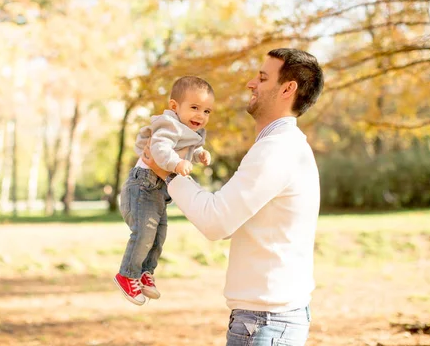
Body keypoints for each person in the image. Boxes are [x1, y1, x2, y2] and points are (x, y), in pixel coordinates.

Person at [142, 48, 324, 345]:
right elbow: (229, 217)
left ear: (288, 89)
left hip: (265, 323)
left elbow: (216, 222)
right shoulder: (284, 147)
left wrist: (169, 173)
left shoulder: (277, 150)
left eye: (263, 78)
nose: (251, 83)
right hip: (268, 319)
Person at [114, 75, 215, 306]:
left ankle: (144, 272)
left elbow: (192, 149)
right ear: (174, 106)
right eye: (195, 108)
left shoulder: (194, 132)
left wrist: (200, 155)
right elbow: (159, 149)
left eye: (207, 111)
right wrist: (176, 164)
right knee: (144, 232)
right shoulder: (169, 124)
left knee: (159, 235)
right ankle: (127, 274)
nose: (201, 115)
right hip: (143, 184)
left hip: (159, 190)